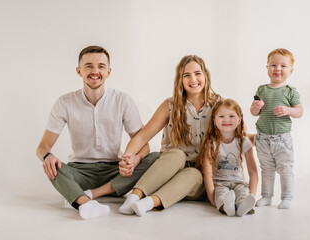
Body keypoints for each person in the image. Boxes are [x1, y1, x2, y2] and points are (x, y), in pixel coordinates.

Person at [35, 46, 159, 220]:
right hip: (80, 173)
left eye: (101, 66)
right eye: (89, 66)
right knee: (52, 166)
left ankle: (88, 196)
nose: (95, 71)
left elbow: (143, 144)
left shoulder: (123, 100)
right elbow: (42, 147)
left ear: (108, 71)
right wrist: (48, 156)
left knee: (154, 157)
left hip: (115, 172)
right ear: (79, 71)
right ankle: (86, 204)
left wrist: (135, 159)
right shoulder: (64, 102)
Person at [118, 55, 221, 216]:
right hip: (166, 172)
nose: (193, 79)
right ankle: (134, 197)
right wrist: (128, 158)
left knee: (194, 174)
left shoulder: (218, 105)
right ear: (180, 80)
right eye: (186, 75)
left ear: (206, 75)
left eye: (197, 73)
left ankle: (148, 203)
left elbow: (235, 135)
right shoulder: (170, 105)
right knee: (176, 154)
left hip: (197, 181)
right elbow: (143, 136)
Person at [250, 48, 303, 209]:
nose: (277, 69)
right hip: (263, 138)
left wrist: (288, 110)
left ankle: (287, 197)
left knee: (285, 168)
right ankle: (266, 196)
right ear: (267, 68)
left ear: (290, 70)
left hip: (282, 139)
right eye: (273, 65)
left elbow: (299, 111)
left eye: (283, 66)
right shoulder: (262, 89)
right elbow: (253, 113)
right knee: (266, 168)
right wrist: (256, 106)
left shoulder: (290, 91)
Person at [197, 99, 258, 217]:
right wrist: (213, 200)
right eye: (221, 116)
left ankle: (242, 208)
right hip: (220, 183)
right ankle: (227, 207)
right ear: (214, 121)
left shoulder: (244, 142)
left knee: (243, 194)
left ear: (239, 120)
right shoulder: (211, 143)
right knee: (222, 196)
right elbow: (207, 172)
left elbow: (253, 172)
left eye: (231, 116)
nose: (226, 120)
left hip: (240, 182)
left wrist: (252, 195)